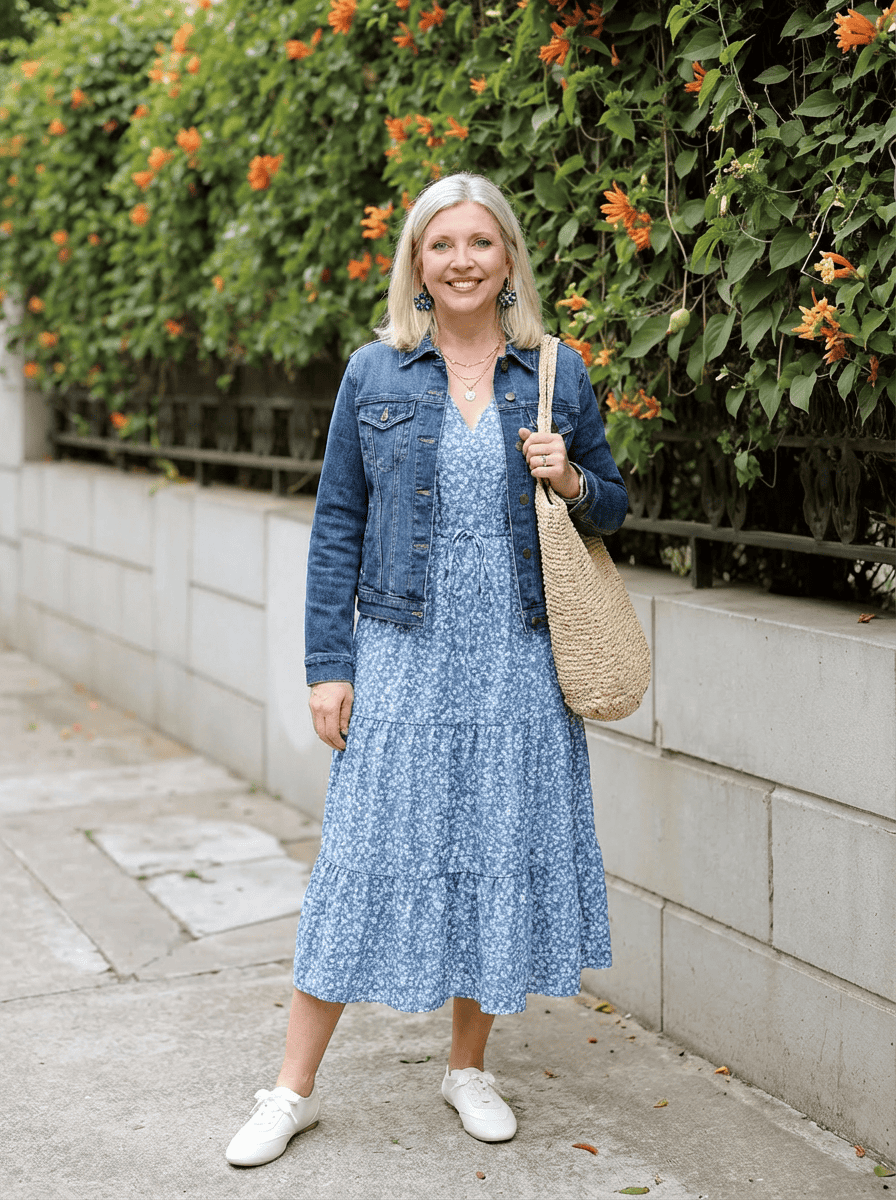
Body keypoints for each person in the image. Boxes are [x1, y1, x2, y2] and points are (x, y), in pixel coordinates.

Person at [225, 172, 628, 1168]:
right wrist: (329, 664)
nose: (459, 260)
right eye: (440, 243)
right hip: (402, 650)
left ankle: (467, 1066)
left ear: (506, 260)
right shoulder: (374, 373)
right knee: (360, 855)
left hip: (517, 655)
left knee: (490, 845)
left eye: (478, 243)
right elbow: (336, 528)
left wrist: (567, 476)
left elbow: (613, 505)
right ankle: (290, 1090)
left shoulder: (552, 370)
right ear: (414, 261)